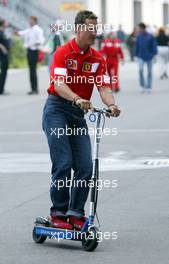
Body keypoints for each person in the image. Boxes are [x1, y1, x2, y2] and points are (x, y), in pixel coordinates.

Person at [42, 10, 121, 230]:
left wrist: (111, 104)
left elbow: (104, 86)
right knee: (64, 163)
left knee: (86, 166)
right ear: (78, 28)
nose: (93, 33)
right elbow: (58, 84)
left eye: (96, 29)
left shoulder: (97, 59)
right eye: (90, 28)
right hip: (57, 110)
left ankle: (75, 214)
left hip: (78, 115)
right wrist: (77, 98)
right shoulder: (63, 53)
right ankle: (58, 212)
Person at [17, 16, 44, 95]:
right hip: (29, 51)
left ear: (35, 21)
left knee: (33, 70)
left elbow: (41, 41)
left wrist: (32, 44)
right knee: (31, 70)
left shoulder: (38, 30)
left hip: (34, 50)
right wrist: (17, 33)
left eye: (31, 20)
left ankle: (35, 89)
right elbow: (22, 33)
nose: (29, 22)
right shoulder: (30, 29)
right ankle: (32, 88)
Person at [135, 23, 157, 93]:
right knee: (140, 70)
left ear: (142, 28)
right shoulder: (138, 36)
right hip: (141, 56)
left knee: (149, 72)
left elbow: (154, 46)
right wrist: (135, 55)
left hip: (149, 56)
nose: (138, 29)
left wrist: (154, 54)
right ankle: (142, 85)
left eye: (138, 28)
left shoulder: (150, 36)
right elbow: (137, 46)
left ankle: (149, 86)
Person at [0, 19, 10, 95]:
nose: (8, 23)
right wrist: (2, 48)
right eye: (6, 22)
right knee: (3, 72)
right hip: (2, 55)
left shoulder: (4, 32)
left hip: (5, 55)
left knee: (4, 72)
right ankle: (1, 89)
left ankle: (2, 88)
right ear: (3, 23)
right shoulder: (0, 32)